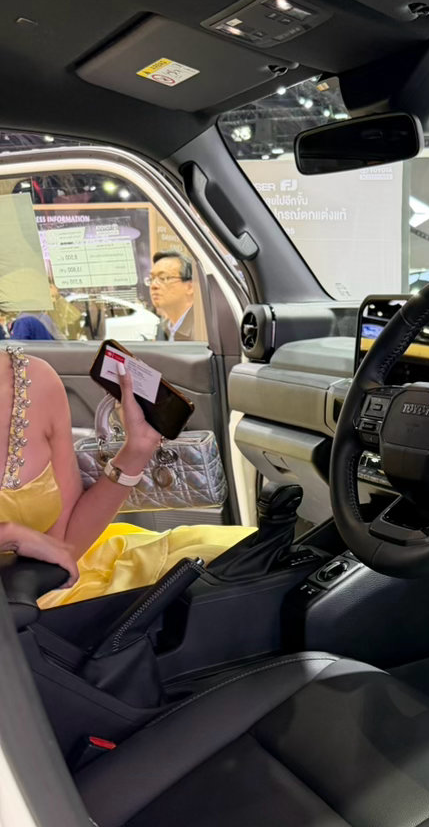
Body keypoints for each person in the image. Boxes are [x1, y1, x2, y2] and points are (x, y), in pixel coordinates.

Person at [0, 344, 252, 608]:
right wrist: (10, 535)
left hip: (47, 585)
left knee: (240, 564)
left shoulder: (35, 379)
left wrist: (137, 448)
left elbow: (64, 545)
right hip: (16, 616)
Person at [149, 250, 196, 341]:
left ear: (190, 286)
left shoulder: (202, 330)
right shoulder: (162, 329)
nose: (153, 286)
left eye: (163, 278)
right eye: (151, 279)